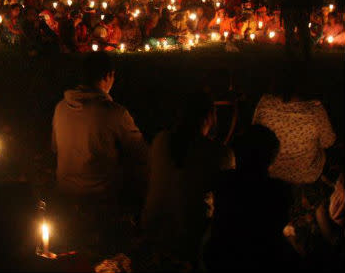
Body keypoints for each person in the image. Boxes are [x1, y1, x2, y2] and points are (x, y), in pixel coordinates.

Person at [141, 91, 235, 263]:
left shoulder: (160, 140)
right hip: (189, 240)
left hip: (152, 228)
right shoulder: (219, 154)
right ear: (210, 116)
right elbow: (227, 204)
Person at [52, 52, 148, 201]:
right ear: (108, 76)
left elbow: (55, 147)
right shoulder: (115, 113)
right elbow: (140, 154)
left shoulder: (60, 108)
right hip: (101, 196)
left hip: (65, 190)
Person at [204, 125, 297, 272]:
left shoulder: (223, 180)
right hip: (262, 258)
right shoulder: (280, 189)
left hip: (221, 257)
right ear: (271, 158)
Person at [252, 73, 336, 185]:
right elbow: (328, 142)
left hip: (269, 172)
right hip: (306, 175)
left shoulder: (265, 103)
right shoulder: (315, 111)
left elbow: (254, 134)